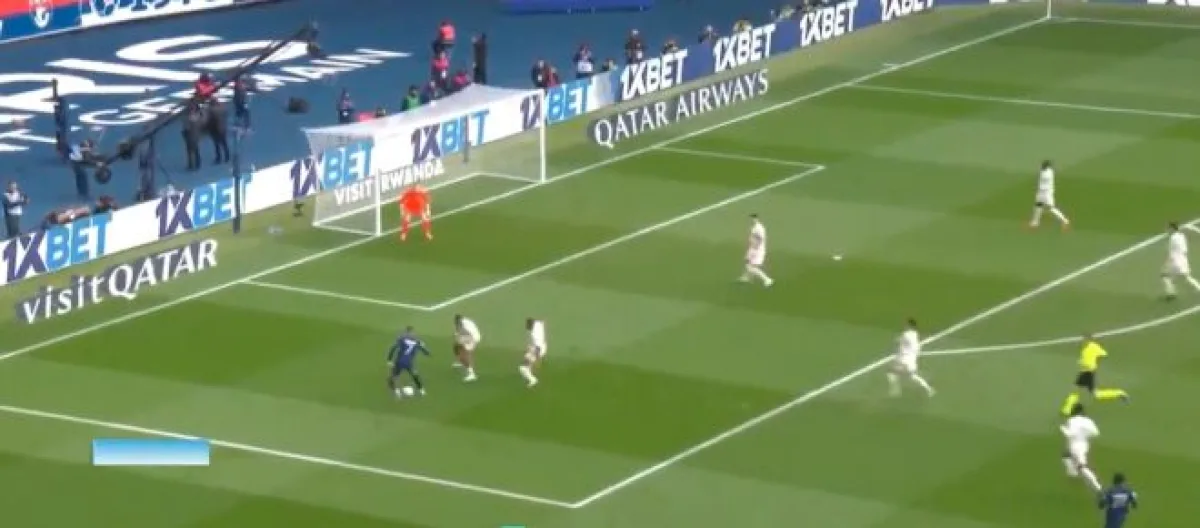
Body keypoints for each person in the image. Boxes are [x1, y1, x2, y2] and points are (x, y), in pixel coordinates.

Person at [1060, 335, 1129, 416]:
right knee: (1089, 393)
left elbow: (1104, 354)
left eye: (1084, 340)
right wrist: (1084, 361)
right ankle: (1119, 393)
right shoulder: (1086, 348)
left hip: (1088, 372)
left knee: (1085, 392)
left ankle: (1067, 409)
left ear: (1088, 340)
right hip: (1086, 371)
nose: (1082, 341)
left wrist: (1093, 361)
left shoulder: (1093, 347)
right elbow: (1101, 354)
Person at [887, 318, 935, 397]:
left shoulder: (906, 334)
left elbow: (898, 340)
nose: (905, 325)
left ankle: (895, 389)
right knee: (913, 376)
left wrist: (897, 340)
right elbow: (916, 347)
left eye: (907, 324)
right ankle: (929, 389)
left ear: (910, 325)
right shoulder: (915, 334)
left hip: (904, 360)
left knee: (891, 372)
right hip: (912, 360)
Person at [1060, 403, 1102, 491]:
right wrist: (1085, 433)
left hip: (1075, 445)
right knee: (1066, 455)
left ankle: (1097, 486)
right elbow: (1096, 433)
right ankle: (1073, 472)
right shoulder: (1088, 420)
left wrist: (1063, 429)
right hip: (1084, 444)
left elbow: (1070, 434)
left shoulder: (1072, 420)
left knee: (1082, 467)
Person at [387, 326, 429, 398]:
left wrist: (389, 360)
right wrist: (427, 353)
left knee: (393, 377)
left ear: (406, 332)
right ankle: (422, 390)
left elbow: (393, 348)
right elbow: (424, 350)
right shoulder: (416, 342)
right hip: (409, 363)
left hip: (399, 362)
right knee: (415, 375)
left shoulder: (402, 339)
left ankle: (397, 391)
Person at [1162, 221, 1200, 299]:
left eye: (1168, 228)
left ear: (1172, 229)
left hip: (1176, 260)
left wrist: (1167, 263)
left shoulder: (1172, 238)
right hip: (1184, 258)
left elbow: (1171, 251)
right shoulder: (1182, 236)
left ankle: (1171, 293)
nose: (1167, 230)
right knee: (1186, 277)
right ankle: (1198, 287)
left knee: (1165, 276)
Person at [1030, 160, 1071, 230]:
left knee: (1051, 208)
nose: (1042, 167)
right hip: (1041, 192)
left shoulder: (1046, 174)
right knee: (1038, 205)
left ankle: (1065, 220)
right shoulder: (1049, 171)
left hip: (1047, 193)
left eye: (1043, 166)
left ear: (1046, 167)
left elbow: (1042, 178)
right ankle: (1035, 222)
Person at [739, 213, 773, 286]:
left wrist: (754, 247)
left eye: (753, 219)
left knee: (751, 267)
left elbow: (760, 239)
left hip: (757, 249)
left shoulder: (759, 228)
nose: (751, 220)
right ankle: (747, 277)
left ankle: (767, 279)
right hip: (753, 248)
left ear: (756, 219)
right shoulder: (754, 227)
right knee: (747, 262)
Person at [452, 314, 481, 382]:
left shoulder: (466, 326)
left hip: (473, 338)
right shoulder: (461, 322)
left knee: (465, 354)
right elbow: (458, 330)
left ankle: (472, 374)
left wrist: (463, 340)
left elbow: (469, 334)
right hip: (467, 336)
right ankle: (461, 361)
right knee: (456, 346)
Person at [518, 317, 547, 387]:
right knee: (526, 361)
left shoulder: (535, 335)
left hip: (538, 349)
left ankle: (533, 380)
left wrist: (537, 360)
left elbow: (538, 349)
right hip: (539, 346)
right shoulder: (538, 323)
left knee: (522, 368)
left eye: (528, 326)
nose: (527, 327)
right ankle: (529, 370)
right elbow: (542, 321)